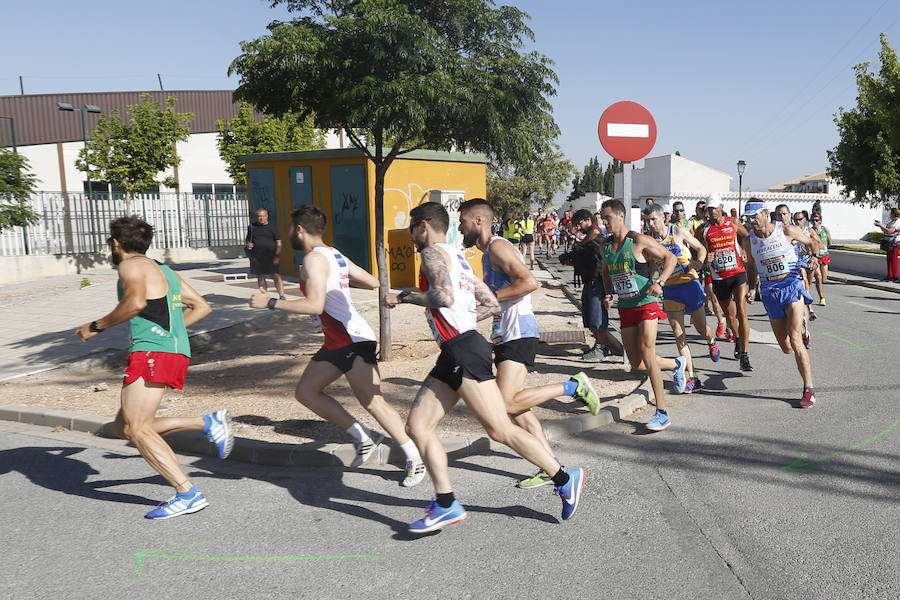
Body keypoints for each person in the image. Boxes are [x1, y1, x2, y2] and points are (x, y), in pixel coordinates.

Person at [385, 202, 584, 533]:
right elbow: (491, 302)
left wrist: (404, 296)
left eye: (411, 228)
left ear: (423, 226)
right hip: (457, 349)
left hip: (462, 350)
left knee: (500, 429)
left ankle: (564, 477)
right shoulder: (458, 259)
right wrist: (463, 321)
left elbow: (443, 297)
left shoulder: (433, 253)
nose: (409, 236)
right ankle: (446, 503)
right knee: (418, 426)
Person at [249, 205, 425, 486]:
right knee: (306, 391)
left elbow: (314, 305)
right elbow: (372, 281)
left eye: (291, 228)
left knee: (374, 402)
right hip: (337, 340)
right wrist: (339, 283)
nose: (290, 233)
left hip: (352, 339)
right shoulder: (334, 254)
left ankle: (415, 459)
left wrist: (270, 302)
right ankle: (363, 438)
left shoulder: (313, 260)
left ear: (300, 230)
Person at [75, 215, 233, 520]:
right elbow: (202, 306)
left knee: (137, 428)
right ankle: (207, 423)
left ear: (116, 243)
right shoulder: (163, 270)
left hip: (153, 353)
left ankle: (187, 493)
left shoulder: (130, 266)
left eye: (111, 242)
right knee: (124, 428)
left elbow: (134, 304)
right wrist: (171, 336)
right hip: (171, 351)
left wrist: (96, 327)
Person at [458, 198, 600, 488]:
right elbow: (502, 297)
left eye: (462, 222)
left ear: (478, 221)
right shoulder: (489, 253)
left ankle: (572, 386)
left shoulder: (498, 246)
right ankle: (551, 467)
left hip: (519, 333)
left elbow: (529, 282)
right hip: (506, 333)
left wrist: (490, 298)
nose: (460, 228)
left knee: (505, 404)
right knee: (520, 410)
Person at [600, 199, 688, 431]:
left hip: (647, 303)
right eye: (602, 217)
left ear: (621, 217)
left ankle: (662, 412)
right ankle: (676, 363)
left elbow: (670, 258)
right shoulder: (606, 246)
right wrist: (608, 294)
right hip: (626, 305)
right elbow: (606, 272)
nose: (604, 222)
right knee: (637, 364)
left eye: (606, 217)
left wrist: (659, 282)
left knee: (648, 354)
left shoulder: (638, 241)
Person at [741, 201, 821, 407]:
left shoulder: (785, 230)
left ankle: (808, 389)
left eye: (755, 216)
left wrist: (814, 257)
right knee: (786, 348)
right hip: (769, 293)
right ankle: (801, 326)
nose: (752, 221)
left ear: (766, 214)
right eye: (748, 217)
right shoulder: (749, 241)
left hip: (792, 286)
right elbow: (751, 266)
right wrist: (751, 288)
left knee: (795, 341)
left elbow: (814, 243)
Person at [642, 203, 720, 392]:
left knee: (701, 328)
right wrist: (648, 282)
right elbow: (653, 267)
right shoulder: (649, 241)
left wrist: (699, 263)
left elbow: (701, 249)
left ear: (663, 218)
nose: (651, 224)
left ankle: (711, 340)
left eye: (654, 219)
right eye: (647, 220)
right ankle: (692, 377)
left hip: (690, 284)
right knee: (679, 334)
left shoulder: (677, 232)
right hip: (670, 289)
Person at [698, 195, 753, 372]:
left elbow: (747, 236)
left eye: (715, 207)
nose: (712, 211)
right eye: (709, 209)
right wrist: (704, 257)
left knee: (742, 311)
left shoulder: (733, 222)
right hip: (719, 277)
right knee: (730, 317)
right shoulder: (703, 230)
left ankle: (744, 355)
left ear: (721, 207)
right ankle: (737, 338)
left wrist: (744, 250)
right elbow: (694, 249)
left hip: (737, 273)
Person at [561, 208, 612, 362]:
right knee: (590, 317)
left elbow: (593, 236)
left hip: (598, 281)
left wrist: (579, 247)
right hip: (590, 280)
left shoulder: (594, 233)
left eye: (579, 223)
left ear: (588, 220)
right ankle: (599, 346)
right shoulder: (590, 239)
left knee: (598, 317)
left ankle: (601, 348)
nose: (578, 227)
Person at [246, 208, 286, 300]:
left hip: (271, 256)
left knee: (275, 275)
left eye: (263, 216)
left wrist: (277, 255)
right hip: (257, 257)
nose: (261, 218)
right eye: (259, 216)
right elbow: (248, 239)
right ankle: (265, 296)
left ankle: (282, 295)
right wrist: (248, 244)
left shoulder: (273, 227)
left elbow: (279, 243)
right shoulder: (252, 227)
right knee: (260, 276)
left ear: (267, 216)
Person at [809, 214, 831, 304]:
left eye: (817, 220)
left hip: (824, 255)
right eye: (813, 220)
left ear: (820, 220)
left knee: (823, 279)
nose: (815, 222)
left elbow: (829, 242)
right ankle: (822, 298)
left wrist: (823, 248)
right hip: (815, 257)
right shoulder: (810, 231)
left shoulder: (825, 229)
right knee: (818, 277)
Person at [874, 208, 900, 282]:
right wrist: (881, 225)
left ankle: (894, 276)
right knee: (889, 259)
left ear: (893, 214)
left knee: (894, 259)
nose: (889, 215)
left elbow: (889, 231)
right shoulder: (892, 222)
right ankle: (890, 275)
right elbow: (885, 230)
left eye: (890, 214)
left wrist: (880, 226)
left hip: (895, 243)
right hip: (890, 243)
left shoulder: (897, 222)